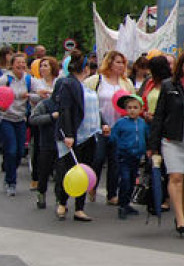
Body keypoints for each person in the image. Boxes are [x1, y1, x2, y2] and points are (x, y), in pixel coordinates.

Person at [149, 49, 184, 236]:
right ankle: (180, 218)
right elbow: (159, 116)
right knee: (176, 176)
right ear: (181, 65)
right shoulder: (168, 86)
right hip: (172, 138)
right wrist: (153, 145)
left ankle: (181, 210)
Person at [54, 50, 110, 221]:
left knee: (85, 171)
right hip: (75, 135)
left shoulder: (85, 86)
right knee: (70, 171)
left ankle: (79, 207)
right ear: (84, 68)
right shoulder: (68, 84)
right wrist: (69, 134)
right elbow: (66, 111)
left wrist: (103, 123)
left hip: (91, 134)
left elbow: (94, 109)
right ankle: (62, 203)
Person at [85, 50, 134, 205]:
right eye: (118, 62)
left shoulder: (126, 83)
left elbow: (132, 103)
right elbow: (87, 101)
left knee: (115, 162)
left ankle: (112, 194)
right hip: (98, 127)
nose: (121, 65)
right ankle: (92, 185)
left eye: (123, 63)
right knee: (98, 158)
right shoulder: (96, 80)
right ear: (110, 62)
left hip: (118, 128)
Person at [1, 52, 35, 197]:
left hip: (21, 119)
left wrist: (41, 94)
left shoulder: (28, 79)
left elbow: (34, 94)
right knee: (11, 150)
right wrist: (16, 96)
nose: (21, 65)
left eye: (23, 63)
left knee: (20, 152)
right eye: (18, 63)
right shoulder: (5, 79)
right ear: (12, 65)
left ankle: (10, 171)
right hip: (6, 118)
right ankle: (11, 182)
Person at [110, 93, 148, 219]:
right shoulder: (121, 123)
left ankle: (127, 204)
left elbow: (146, 137)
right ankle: (122, 204)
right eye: (130, 107)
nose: (132, 110)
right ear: (126, 110)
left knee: (132, 180)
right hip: (124, 156)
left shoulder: (142, 123)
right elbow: (113, 137)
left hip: (137, 157)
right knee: (125, 180)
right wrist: (119, 146)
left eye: (135, 107)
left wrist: (147, 149)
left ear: (141, 109)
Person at [28, 56, 59, 195]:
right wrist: (39, 95)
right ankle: (36, 177)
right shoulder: (37, 82)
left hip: (57, 119)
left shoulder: (58, 82)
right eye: (41, 66)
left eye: (46, 65)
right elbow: (31, 97)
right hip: (41, 117)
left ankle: (51, 173)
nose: (42, 68)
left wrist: (51, 94)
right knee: (39, 148)